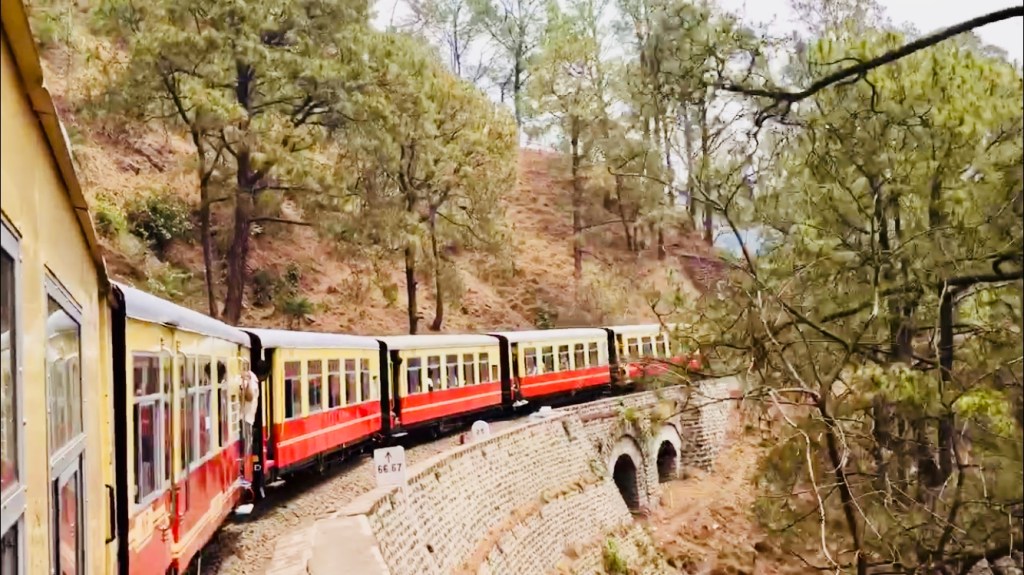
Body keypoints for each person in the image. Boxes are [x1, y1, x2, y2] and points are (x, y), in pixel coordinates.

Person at [239, 370, 259, 486]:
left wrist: (245, 381)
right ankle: (244, 472)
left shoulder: (251, 382)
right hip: (248, 418)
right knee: (246, 446)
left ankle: (243, 472)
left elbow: (249, 397)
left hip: (246, 419)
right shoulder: (253, 380)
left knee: (245, 447)